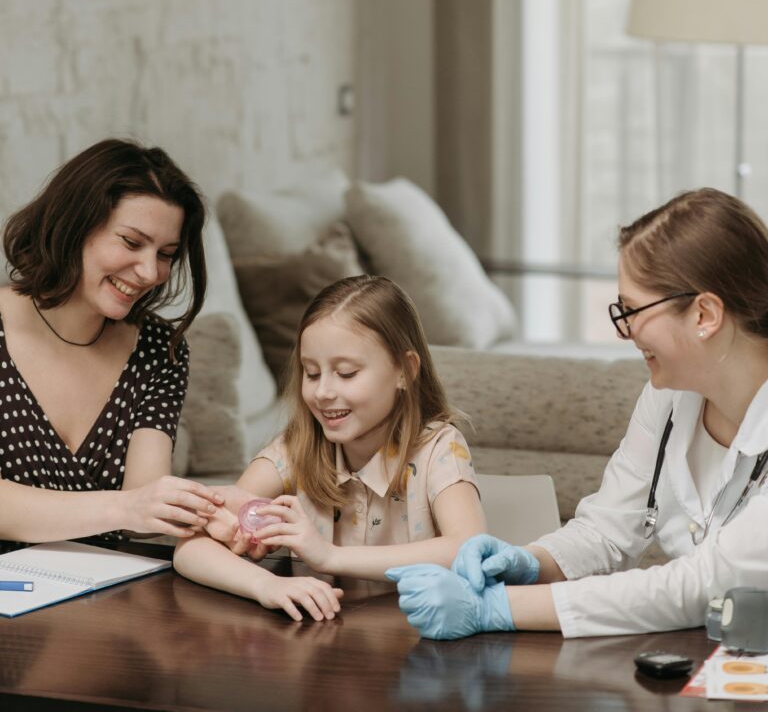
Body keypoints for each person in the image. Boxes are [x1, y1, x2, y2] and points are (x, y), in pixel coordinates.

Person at [387, 187, 768, 639]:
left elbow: (703, 582)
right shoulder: (668, 397)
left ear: (704, 314)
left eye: (633, 310)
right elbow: (608, 529)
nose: (625, 331)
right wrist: (530, 562)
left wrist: (497, 607)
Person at [173, 274, 486, 621]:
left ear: (405, 370)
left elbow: (467, 547)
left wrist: (329, 556)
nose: (322, 392)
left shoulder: (438, 448)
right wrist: (266, 585)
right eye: (311, 373)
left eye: (347, 373)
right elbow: (190, 551)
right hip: (322, 647)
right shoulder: (295, 449)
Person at [0, 138, 224, 543]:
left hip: (107, 590)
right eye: (132, 242)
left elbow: (145, 510)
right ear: (74, 225)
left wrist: (216, 511)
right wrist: (126, 507)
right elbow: (133, 506)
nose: (149, 271)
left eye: (166, 253)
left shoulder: (159, 349)